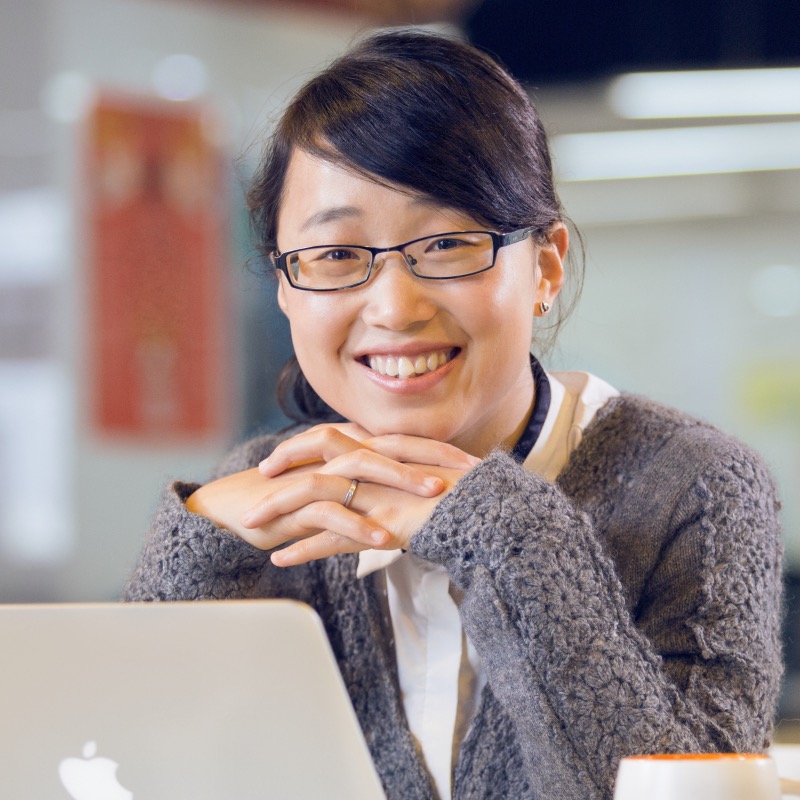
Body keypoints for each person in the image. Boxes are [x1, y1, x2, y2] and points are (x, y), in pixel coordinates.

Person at [124, 29, 783, 800]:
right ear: (283, 287)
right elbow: (130, 762)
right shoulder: (259, 501)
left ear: (544, 266)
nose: (396, 308)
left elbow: (695, 791)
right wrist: (193, 561)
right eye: (336, 256)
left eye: (446, 244)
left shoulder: (696, 486)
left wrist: (511, 541)